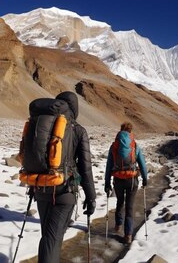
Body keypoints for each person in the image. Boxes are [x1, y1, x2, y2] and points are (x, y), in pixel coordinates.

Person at [34, 91, 96, 263]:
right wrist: (91, 197)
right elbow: (86, 167)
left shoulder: (44, 124)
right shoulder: (78, 130)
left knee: (47, 236)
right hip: (64, 191)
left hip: (41, 188)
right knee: (52, 239)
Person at [104, 122, 148, 244]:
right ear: (130, 131)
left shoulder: (114, 146)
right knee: (129, 207)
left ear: (120, 130)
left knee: (120, 202)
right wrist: (145, 178)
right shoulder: (135, 145)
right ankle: (128, 235)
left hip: (118, 180)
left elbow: (108, 167)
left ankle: (118, 225)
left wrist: (107, 183)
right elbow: (142, 164)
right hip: (132, 181)